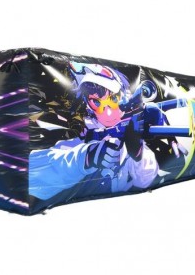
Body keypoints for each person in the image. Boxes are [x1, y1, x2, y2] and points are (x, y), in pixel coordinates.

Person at [29, 62, 159, 201]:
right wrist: (87, 157)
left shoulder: (128, 130)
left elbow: (145, 181)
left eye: (113, 99)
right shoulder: (80, 138)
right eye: (97, 103)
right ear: (88, 105)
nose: (108, 111)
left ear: (124, 97)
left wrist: (138, 154)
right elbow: (32, 174)